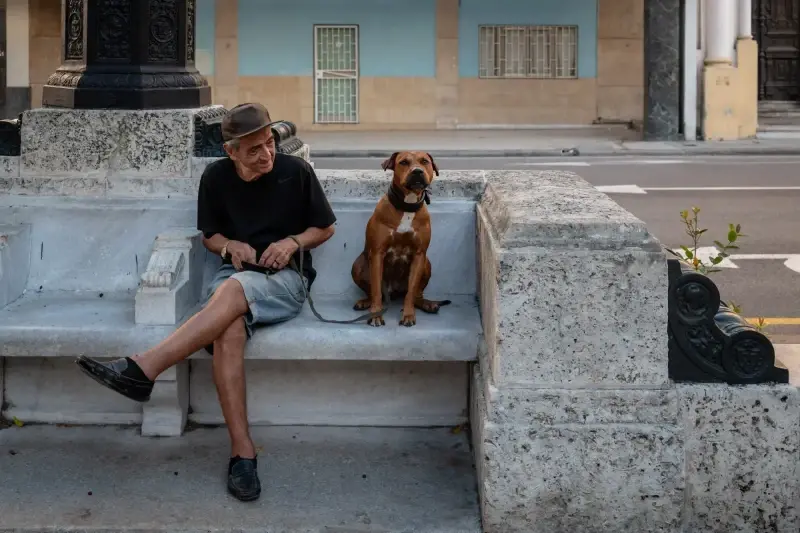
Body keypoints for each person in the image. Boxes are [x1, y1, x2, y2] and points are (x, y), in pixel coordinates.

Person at [76, 103, 337, 502]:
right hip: (232, 278)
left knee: (231, 292)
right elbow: (210, 236)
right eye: (254, 150)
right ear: (231, 152)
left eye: (269, 144)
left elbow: (326, 227)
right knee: (227, 329)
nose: (267, 155)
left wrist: (292, 242)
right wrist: (230, 244)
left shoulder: (295, 172)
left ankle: (143, 368)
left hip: (287, 280)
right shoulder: (215, 177)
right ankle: (242, 454)